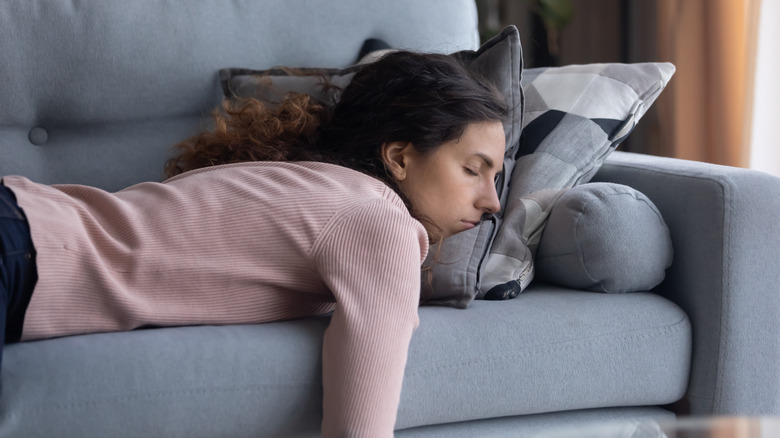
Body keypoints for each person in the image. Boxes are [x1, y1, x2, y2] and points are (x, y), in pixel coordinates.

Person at [0, 51, 507, 437]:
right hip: (20, 248)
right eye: (472, 170)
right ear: (399, 157)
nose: (493, 203)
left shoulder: (313, 183)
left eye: (497, 179)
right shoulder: (378, 223)